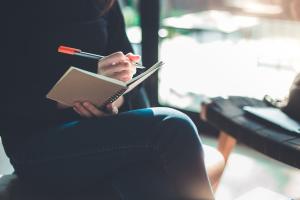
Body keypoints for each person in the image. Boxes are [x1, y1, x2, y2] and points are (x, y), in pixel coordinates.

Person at [1, 0, 213, 199]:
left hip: (98, 130)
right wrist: (83, 93)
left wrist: (112, 100)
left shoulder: (105, 3)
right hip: (36, 146)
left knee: (150, 181)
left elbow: (127, 70)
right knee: (173, 125)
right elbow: (11, 98)